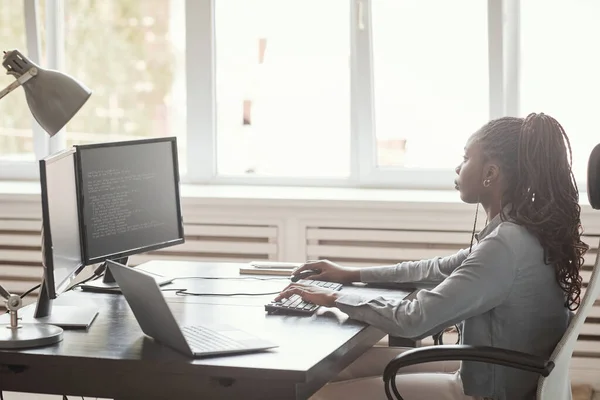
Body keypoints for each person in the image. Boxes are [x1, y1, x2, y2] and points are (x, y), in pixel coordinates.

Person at [275, 113, 588, 400]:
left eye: (466, 158)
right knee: (335, 366)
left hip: (487, 390)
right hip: (502, 372)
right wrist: (352, 275)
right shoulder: (520, 230)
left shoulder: (504, 246)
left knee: (321, 395)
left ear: (490, 173)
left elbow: (414, 321)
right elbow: (437, 268)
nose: (457, 167)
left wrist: (332, 299)